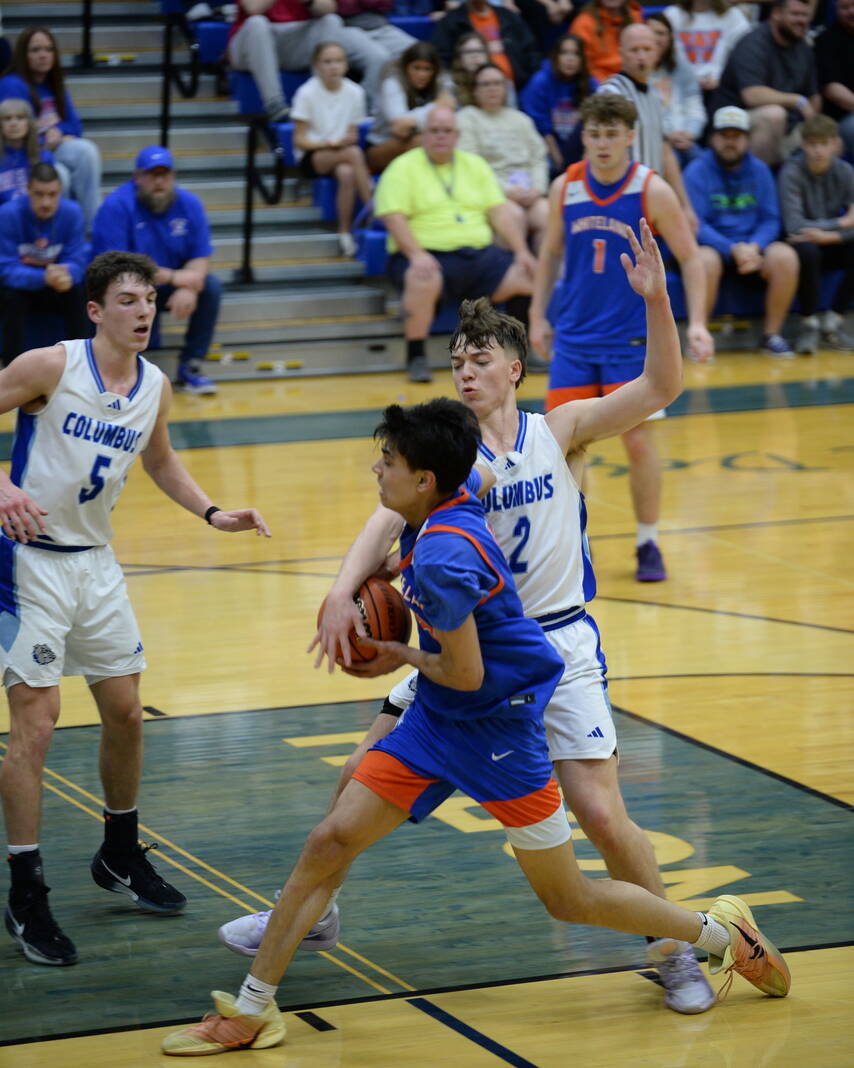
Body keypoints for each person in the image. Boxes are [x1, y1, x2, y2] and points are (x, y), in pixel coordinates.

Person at [160, 403, 790, 1058]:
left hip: (498, 729)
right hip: (437, 720)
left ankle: (719, 935)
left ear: (425, 480)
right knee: (330, 839)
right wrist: (368, 582)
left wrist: (394, 652)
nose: (377, 470)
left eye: (389, 462)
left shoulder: (443, 556)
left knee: (569, 898)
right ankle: (253, 1008)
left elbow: (465, 673)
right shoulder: (453, 496)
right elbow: (473, 484)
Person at [220, 222, 717, 1016]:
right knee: (357, 775)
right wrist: (342, 591)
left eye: (479, 357)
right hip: (465, 647)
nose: (464, 369)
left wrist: (658, 301)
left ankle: (675, 949)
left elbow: (662, 387)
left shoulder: (561, 430)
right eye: (456, 359)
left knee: (601, 814)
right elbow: (383, 521)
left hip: (556, 643)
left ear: (515, 368)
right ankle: (312, 911)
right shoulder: (452, 462)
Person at [0, 250, 271, 968]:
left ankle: (118, 852)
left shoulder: (155, 383)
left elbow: (159, 461)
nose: (144, 310)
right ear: (95, 311)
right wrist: (1, 484)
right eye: (127, 300)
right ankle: (25, 890)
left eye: (149, 299)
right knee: (36, 725)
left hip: (95, 563)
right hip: (28, 562)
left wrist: (213, 512)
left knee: (125, 712)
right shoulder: (50, 366)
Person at [529, 93, 713, 583]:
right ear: (584, 136)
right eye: (594, 134)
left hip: (630, 342)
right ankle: (572, 547)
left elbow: (691, 258)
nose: (602, 143)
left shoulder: (652, 190)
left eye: (612, 134)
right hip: (574, 338)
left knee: (637, 443)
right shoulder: (565, 187)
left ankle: (648, 541)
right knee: (564, 447)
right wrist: (537, 314)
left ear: (631, 136)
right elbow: (549, 255)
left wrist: (697, 322)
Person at [374, 104, 537, 383]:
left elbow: (499, 212)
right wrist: (416, 254)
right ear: (424, 135)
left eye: (447, 131)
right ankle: (416, 356)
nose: (441, 136)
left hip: (478, 255)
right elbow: (393, 217)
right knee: (421, 276)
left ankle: (520, 351)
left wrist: (522, 251)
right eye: (434, 130)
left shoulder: (475, 165)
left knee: (528, 274)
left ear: (457, 135)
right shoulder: (402, 167)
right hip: (427, 255)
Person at [91, 145, 222, 397]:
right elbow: (116, 267)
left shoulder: (190, 204)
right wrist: (175, 277)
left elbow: (200, 257)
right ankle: (116, 370)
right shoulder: (117, 205)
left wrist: (189, 287)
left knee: (210, 287)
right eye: (152, 175)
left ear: (173, 176)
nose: (159, 181)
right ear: (137, 177)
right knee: (115, 292)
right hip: (126, 289)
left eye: (164, 174)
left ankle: (191, 366)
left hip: (165, 289)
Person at [683, 105, 800, 358]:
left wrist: (754, 247)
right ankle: (700, 338)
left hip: (752, 249)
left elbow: (771, 219)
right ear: (713, 138)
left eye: (736, 136)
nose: (730, 142)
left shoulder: (760, 170)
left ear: (746, 139)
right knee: (703, 260)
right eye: (724, 135)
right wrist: (732, 249)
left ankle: (771, 335)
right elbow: (696, 224)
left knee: (785, 256)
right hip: (716, 248)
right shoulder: (696, 170)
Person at [598, 22, 699, 235]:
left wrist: (685, 206)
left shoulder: (654, 95)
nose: (641, 57)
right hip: (619, 200)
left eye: (647, 49)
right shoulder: (611, 93)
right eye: (634, 50)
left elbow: (665, 152)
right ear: (621, 52)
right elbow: (598, 150)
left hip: (651, 200)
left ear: (657, 53)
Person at [0, 27, 102, 232]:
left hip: (54, 146)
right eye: (35, 50)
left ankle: (91, 230)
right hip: (28, 154)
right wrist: (43, 138)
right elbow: (10, 130)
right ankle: (58, 234)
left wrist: (59, 132)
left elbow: (75, 126)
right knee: (60, 176)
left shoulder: (54, 83)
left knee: (87, 151)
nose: (43, 55)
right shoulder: (12, 84)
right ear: (23, 54)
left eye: (48, 49)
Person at [227, 0, 388, 122]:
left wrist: (310, 2)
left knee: (331, 20)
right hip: (252, 46)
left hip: (296, 41)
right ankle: (274, 103)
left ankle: (322, 98)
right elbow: (253, 7)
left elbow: (330, 8)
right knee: (257, 23)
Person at [779, 114, 854, 354]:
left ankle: (834, 321)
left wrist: (831, 236)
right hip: (801, 243)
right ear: (803, 144)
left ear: (835, 144)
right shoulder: (791, 172)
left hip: (828, 241)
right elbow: (794, 226)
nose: (818, 150)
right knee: (808, 251)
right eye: (812, 144)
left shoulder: (845, 171)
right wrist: (842, 222)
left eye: (824, 144)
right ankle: (808, 325)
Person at [0, 162, 88, 366]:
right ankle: (12, 369)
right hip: (21, 288)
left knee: (78, 290)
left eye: (52, 194)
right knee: (11, 296)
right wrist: (43, 277)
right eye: (39, 194)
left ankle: (81, 364)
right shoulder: (7, 214)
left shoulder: (72, 212)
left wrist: (68, 275)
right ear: (28, 190)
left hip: (57, 285)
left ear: (60, 192)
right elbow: (4, 268)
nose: (46, 202)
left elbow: (77, 260)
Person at [713, 0, 819, 167]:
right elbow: (752, 95)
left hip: (788, 127)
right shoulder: (753, 44)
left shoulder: (803, 47)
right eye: (795, 14)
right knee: (773, 115)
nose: (801, 20)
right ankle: (756, 177)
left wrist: (817, 125)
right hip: (737, 124)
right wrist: (797, 100)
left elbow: (813, 95)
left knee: (831, 138)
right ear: (776, 14)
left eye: (805, 15)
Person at [290, 41, 372, 257]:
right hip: (312, 155)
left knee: (346, 173)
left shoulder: (355, 92)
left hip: (342, 153)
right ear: (317, 65)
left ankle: (344, 232)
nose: (333, 66)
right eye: (327, 62)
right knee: (354, 154)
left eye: (338, 61)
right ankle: (373, 209)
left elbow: (353, 133)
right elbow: (299, 140)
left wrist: (346, 139)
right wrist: (328, 144)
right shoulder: (306, 93)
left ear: (346, 64)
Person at [457, 62, 550, 251]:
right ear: (475, 90)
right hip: (493, 193)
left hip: (529, 191)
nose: (492, 88)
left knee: (548, 215)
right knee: (513, 217)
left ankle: (546, 270)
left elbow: (538, 158)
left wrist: (537, 189)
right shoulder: (467, 118)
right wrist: (507, 191)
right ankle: (518, 267)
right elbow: (471, 165)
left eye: (497, 83)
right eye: (486, 84)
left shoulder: (521, 119)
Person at [366, 41, 454, 173]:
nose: (422, 74)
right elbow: (400, 128)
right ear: (406, 67)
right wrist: (436, 106)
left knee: (448, 139)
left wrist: (412, 121)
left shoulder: (441, 83)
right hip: (380, 147)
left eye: (427, 69)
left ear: (435, 71)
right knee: (424, 141)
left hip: (418, 140)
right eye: (416, 68)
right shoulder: (392, 83)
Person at [520, 33, 598, 175]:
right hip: (547, 154)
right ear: (555, 56)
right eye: (564, 53)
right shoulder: (540, 82)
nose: (570, 59)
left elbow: (593, 127)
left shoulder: (590, 84)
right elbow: (541, 129)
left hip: (581, 152)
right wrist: (561, 166)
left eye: (576, 54)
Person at [432, 0, 541, 92]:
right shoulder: (451, 21)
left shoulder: (508, 16)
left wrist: (529, 83)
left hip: (518, 88)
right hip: (469, 90)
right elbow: (441, 57)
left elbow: (531, 50)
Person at [646, 12, 706, 169]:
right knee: (672, 160)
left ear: (670, 38)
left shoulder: (682, 68)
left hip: (685, 138)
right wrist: (666, 134)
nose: (656, 38)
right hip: (655, 140)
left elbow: (694, 104)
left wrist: (690, 133)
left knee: (703, 163)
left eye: (661, 33)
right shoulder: (638, 70)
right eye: (651, 32)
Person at [662, 0, 750, 98]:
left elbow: (745, 56)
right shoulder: (672, 15)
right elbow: (662, 55)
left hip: (722, 88)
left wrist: (723, 79)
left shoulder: (733, 16)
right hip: (680, 87)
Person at [814, 0, 854, 163]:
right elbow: (832, 89)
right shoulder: (826, 40)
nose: (851, 11)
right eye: (845, 7)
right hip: (842, 118)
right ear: (835, 10)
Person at [570, 0, 642, 84]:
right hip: (599, 85)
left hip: (634, 81)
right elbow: (585, 67)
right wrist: (609, 85)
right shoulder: (583, 24)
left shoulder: (635, 19)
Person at [0, 98, 55, 207]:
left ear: (29, 123)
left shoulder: (44, 157)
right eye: (7, 119)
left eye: (20, 118)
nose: (13, 123)